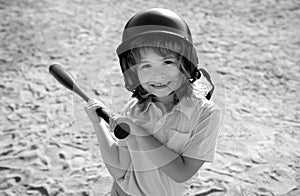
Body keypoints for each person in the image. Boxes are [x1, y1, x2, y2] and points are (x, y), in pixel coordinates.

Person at [85, 8, 222, 196]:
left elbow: (181, 172)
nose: (158, 75)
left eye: (168, 62)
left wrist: (138, 132)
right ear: (133, 73)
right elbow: (119, 170)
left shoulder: (206, 114)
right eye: (145, 65)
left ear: (186, 63)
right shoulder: (134, 109)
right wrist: (98, 124)